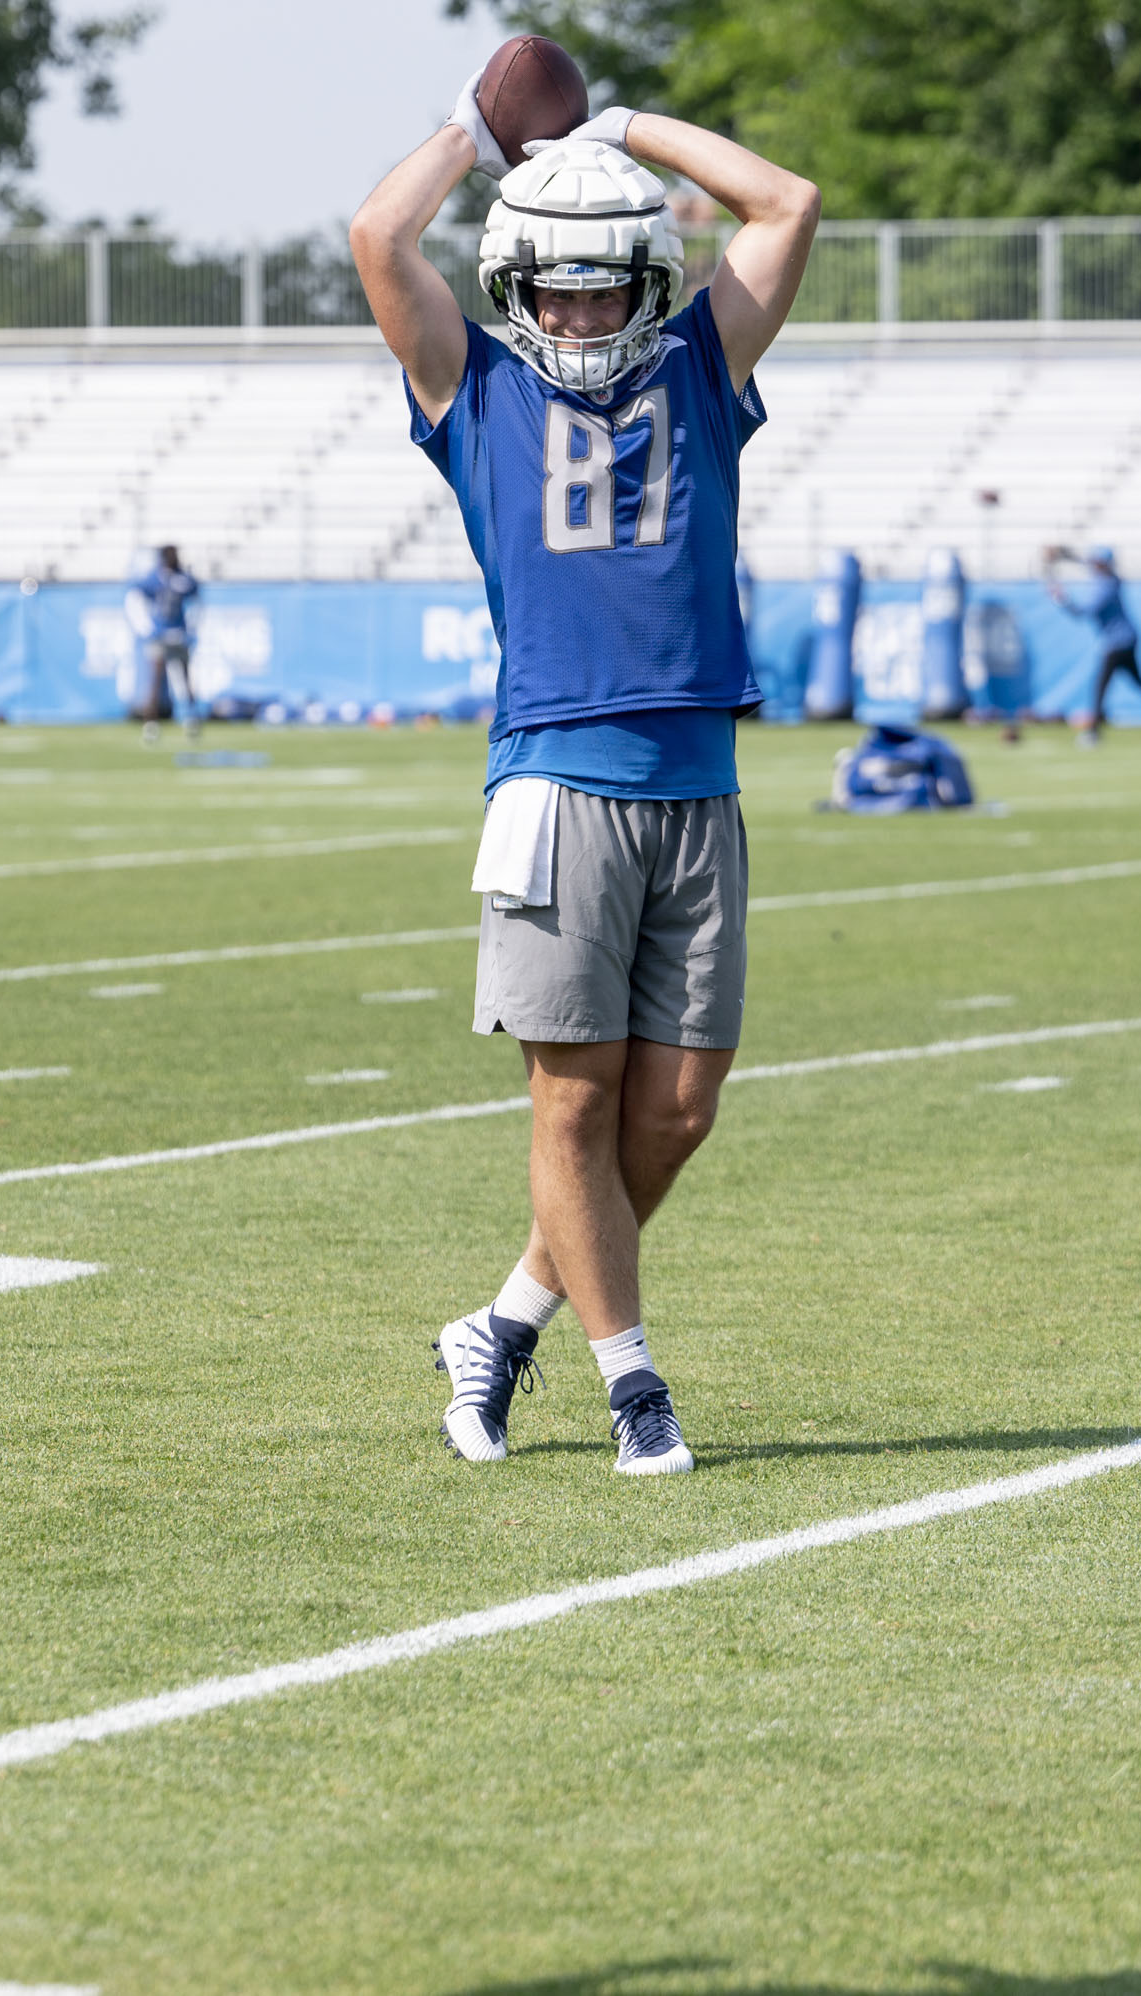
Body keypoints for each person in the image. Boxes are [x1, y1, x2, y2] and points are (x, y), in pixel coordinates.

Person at [350, 67, 818, 1475]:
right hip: (556, 782)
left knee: (674, 1110)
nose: (576, 313)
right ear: (513, 288)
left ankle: (503, 1322)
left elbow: (786, 202)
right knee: (573, 1097)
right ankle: (633, 1386)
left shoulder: (703, 369)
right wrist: (479, 138)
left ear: (648, 284)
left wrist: (617, 131)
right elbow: (381, 240)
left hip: (697, 784)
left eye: (603, 289)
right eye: (552, 290)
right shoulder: (473, 385)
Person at [1043, 544, 1141, 744]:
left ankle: (1093, 730)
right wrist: (1064, 554)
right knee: (1138, 681)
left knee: (1101, 686)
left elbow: (1083, 612)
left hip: (1118, 641)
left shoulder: (1106, 586)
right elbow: (1085, 563)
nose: (1094, 564)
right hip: (1124, 639)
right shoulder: (1107, 577)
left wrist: (1061, 599)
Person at [124, 544, 202, 742]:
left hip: (178, 635)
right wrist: (146, 628)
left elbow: (197, 601)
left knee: (185, 680)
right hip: (161, 635)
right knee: (155, 682)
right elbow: (134, 597)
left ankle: (192, 721)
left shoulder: (183, 579)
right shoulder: (155, 578)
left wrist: (191, 629)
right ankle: (151, 725)